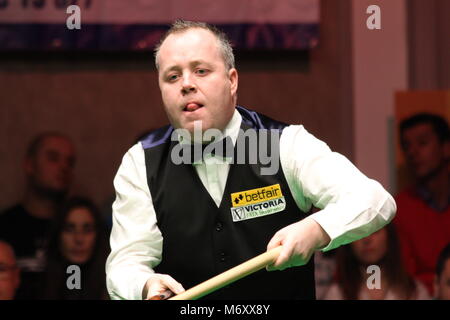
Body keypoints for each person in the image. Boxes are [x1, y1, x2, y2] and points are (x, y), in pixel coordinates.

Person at [106, 20, 397, 300]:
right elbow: (125, 263)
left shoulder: (286, 144)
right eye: (172, 76)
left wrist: (316, 229)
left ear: (232, 81)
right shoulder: (140, 162)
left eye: (201, 70)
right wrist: (144, 284)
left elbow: (373, 199)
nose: (186, 84)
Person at [0, 132, 76, 299]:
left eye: (70, 162)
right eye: (53, 158)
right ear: (29, 165)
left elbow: (80, 281)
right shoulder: (5, 226)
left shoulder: (78, 229)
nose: (64, 167)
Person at [394, 113, 450, 294]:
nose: (412, 152)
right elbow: (401, 276)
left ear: (446, 147)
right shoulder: (399, 208)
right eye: (406, 146)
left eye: (422, 143)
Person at [323, 224, 430, 300]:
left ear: (389, 236)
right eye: (359, 232)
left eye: (375, 230)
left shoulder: (415, 291)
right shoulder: (336, 294)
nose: (367, 239)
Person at [41, 197, 109, 299]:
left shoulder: (116, 286)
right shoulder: (38, 286)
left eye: (87, 230)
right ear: (58, 234)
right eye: (69, 229)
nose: (79, 239)